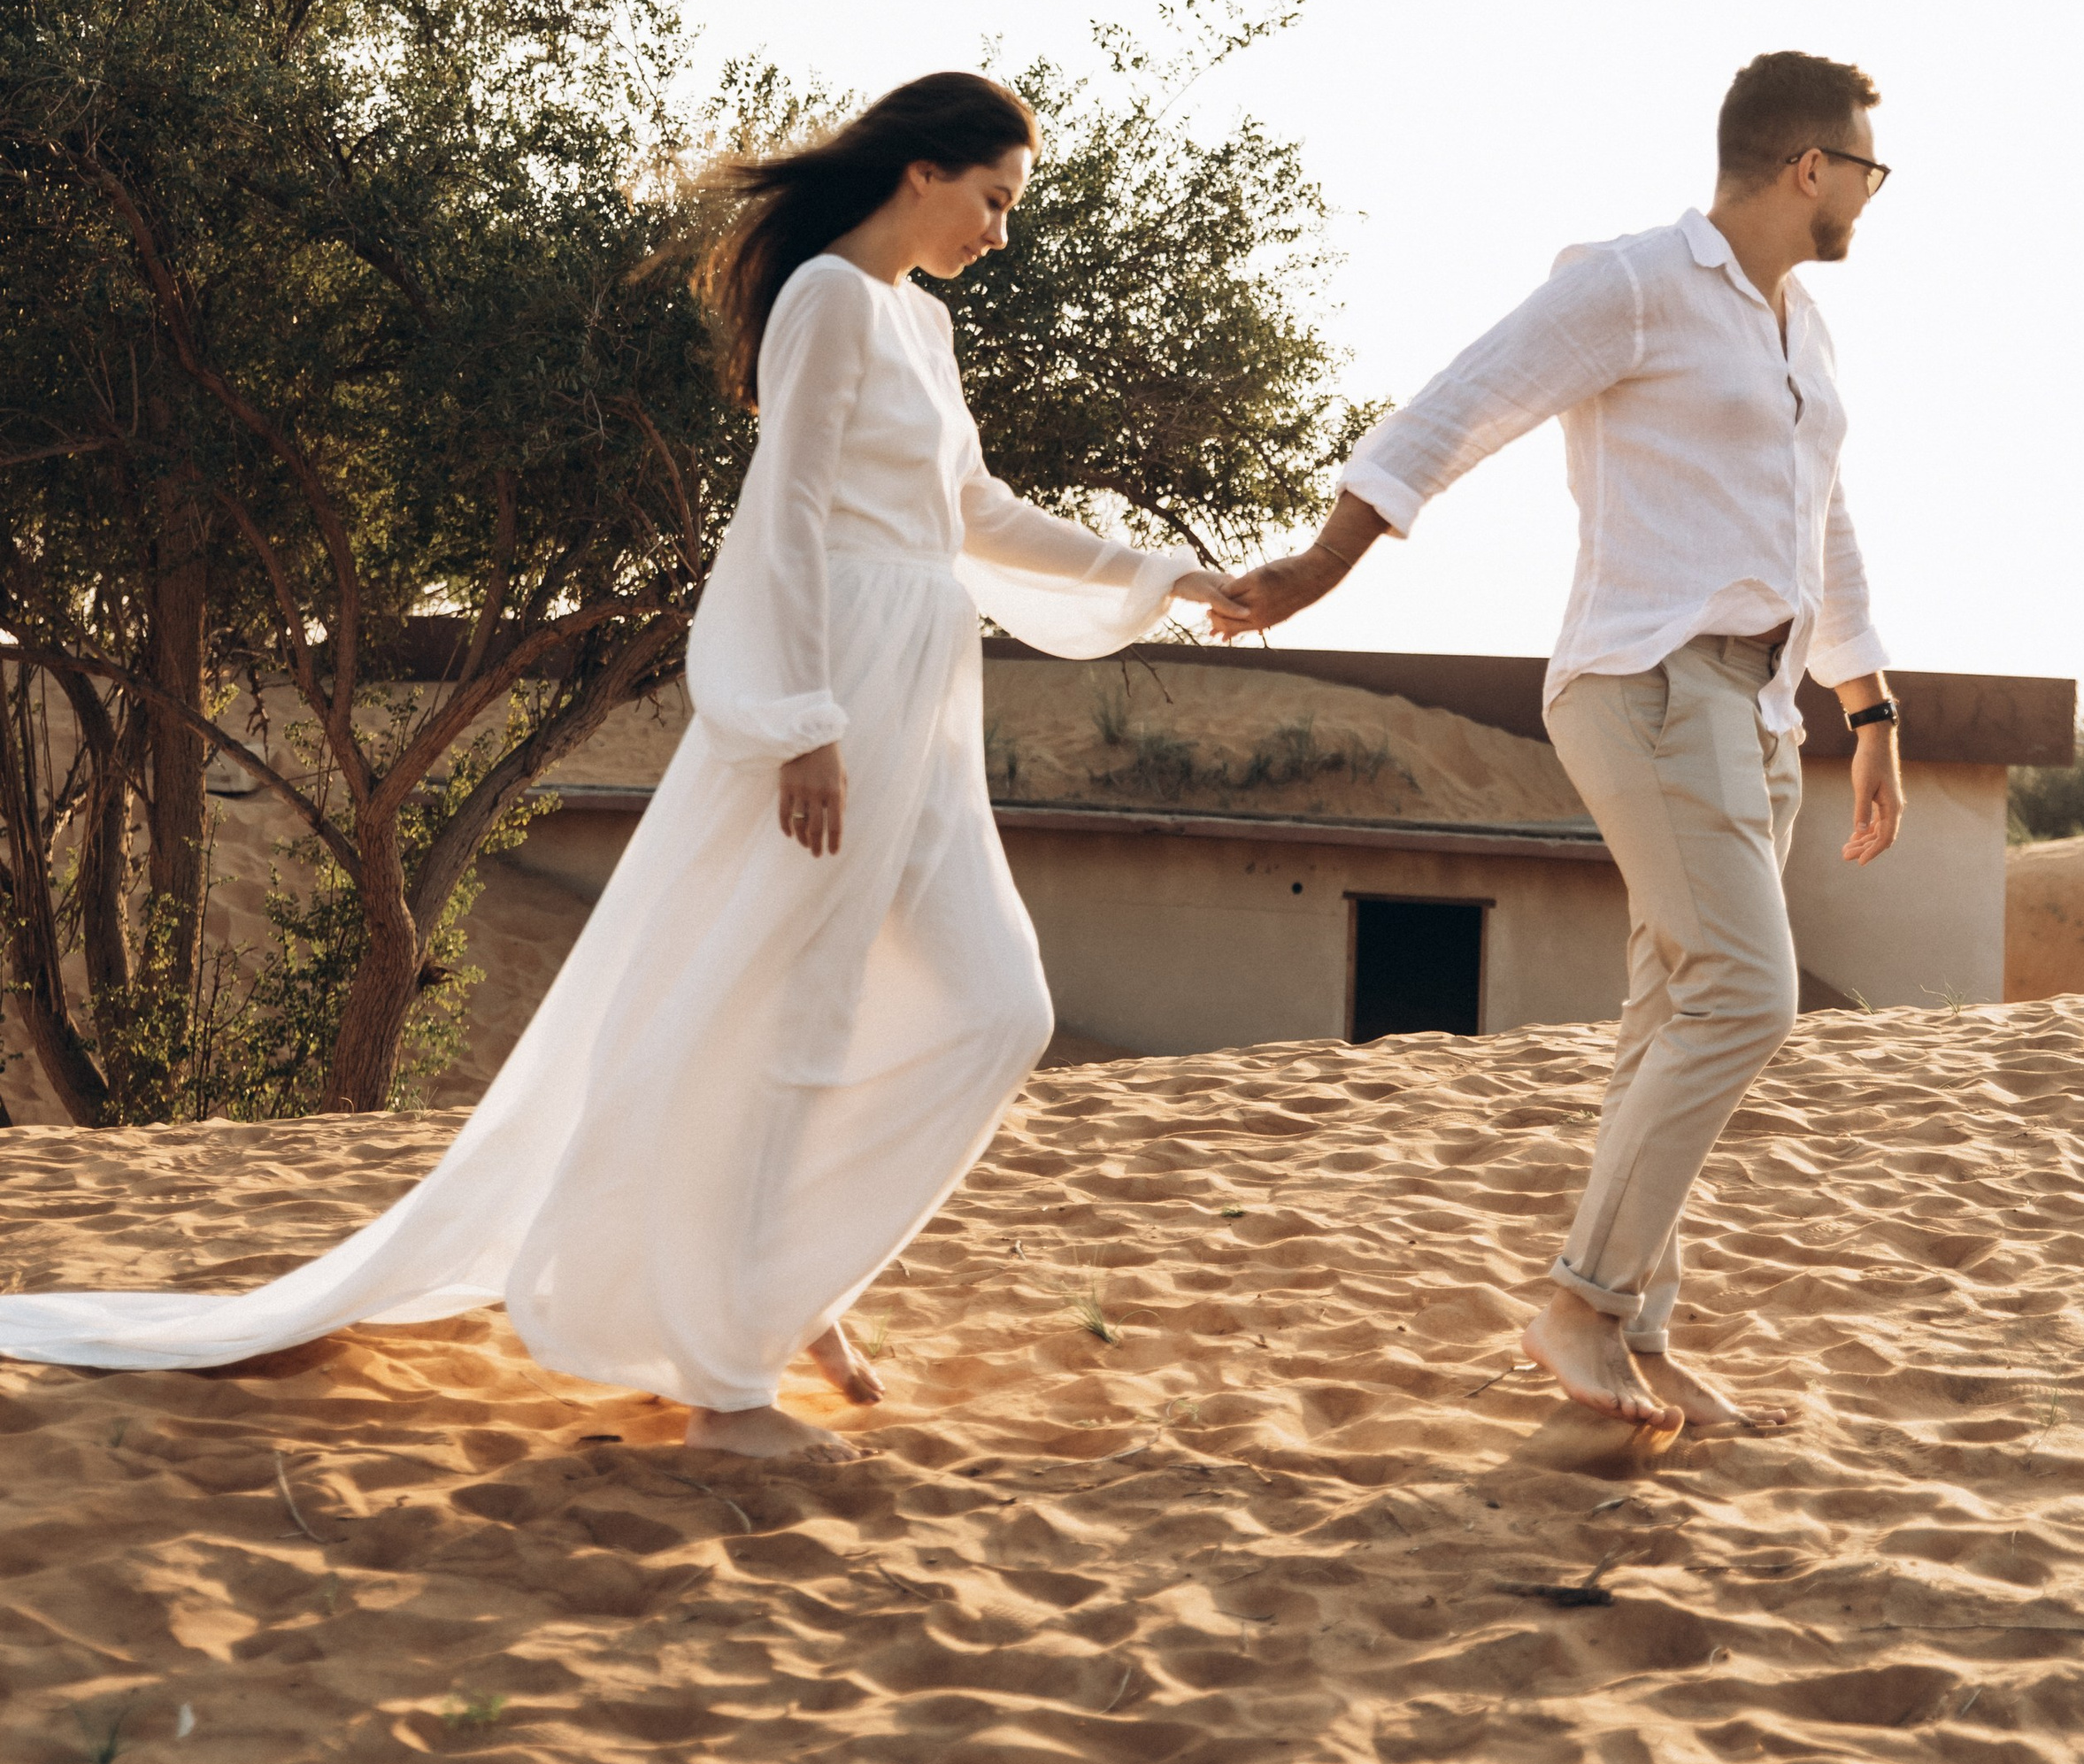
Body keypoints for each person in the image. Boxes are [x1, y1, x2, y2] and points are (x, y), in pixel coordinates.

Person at [0, 73, 1224, 1462]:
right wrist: (799, 721)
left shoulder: (921, 323)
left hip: (924, 689)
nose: (1000, 234)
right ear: (922, 172)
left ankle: (783, 1282)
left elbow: (970, 511)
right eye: (993, 200)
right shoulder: (827, 296)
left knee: (999, 1005)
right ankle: (728, 1368)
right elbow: (794, 515)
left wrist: (1177, 579)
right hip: (835, 693)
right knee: (791, 1011)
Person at [1209, 50, 1901, 1439]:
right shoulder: (1636, 280)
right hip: (1645, 685)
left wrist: (1866, 703)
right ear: (1807, 166)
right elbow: (1464, 403)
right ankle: (1582, 1304)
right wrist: (1318, 569)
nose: (1875, 197)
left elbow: (1819, 516)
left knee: (1671, 1012)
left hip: (1758, 708)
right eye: (1868, 169)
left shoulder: (1799, 328)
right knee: (1746, 999)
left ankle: (1638, 1327)